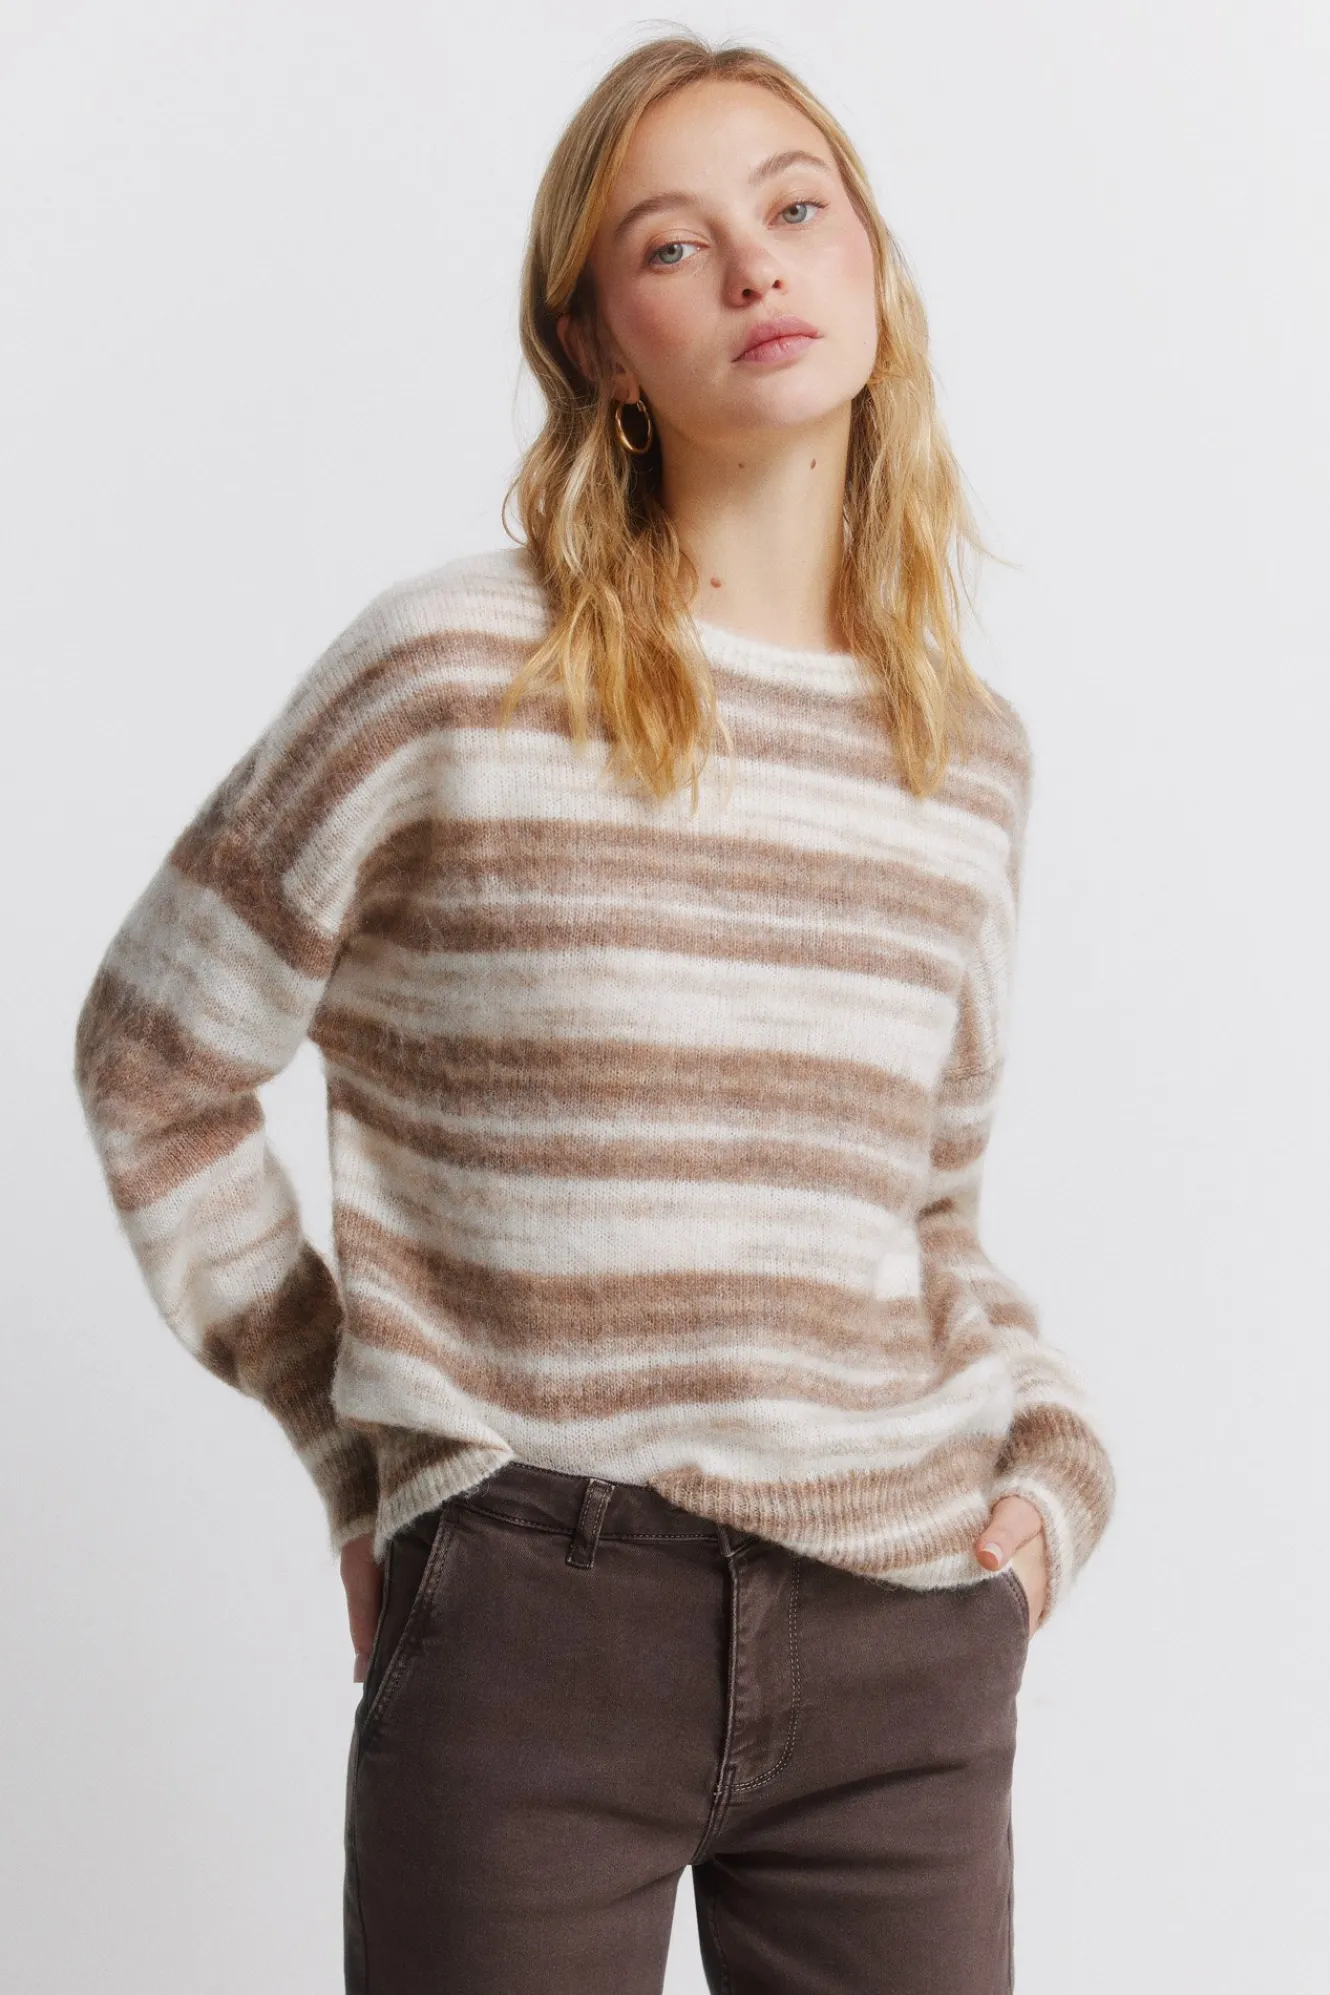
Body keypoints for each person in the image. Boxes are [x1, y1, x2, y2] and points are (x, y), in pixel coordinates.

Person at [72, 31, 1115, 1995]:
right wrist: (357, 1445)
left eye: (795, 205)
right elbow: (153, 1062)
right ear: (596, 345)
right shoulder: (453, 672)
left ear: (871, 262)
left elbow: (922, 1215)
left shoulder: (960, 757)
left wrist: (1051, 1466)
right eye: (671, 243)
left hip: (903, 1641)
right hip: (537, 1623)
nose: (754, 264)